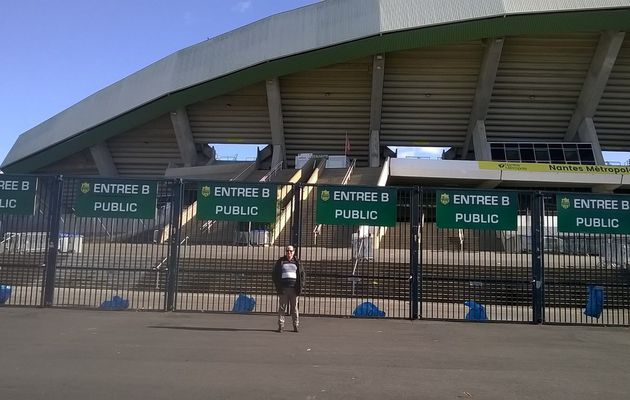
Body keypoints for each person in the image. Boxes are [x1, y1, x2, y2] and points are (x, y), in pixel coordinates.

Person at [272, 245, 305, 333]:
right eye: (287, 251)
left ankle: (296, 324)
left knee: (294, 308)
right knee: (282, 308)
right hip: (284, 288)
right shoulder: (281, 261)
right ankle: (281, 325)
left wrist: (301, 285)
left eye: (291, 251)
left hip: (294, 288)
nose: (289, 253)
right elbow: (275, 274)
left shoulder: (297, 262)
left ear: (294, 252)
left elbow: (302, 274)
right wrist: (278, 285)